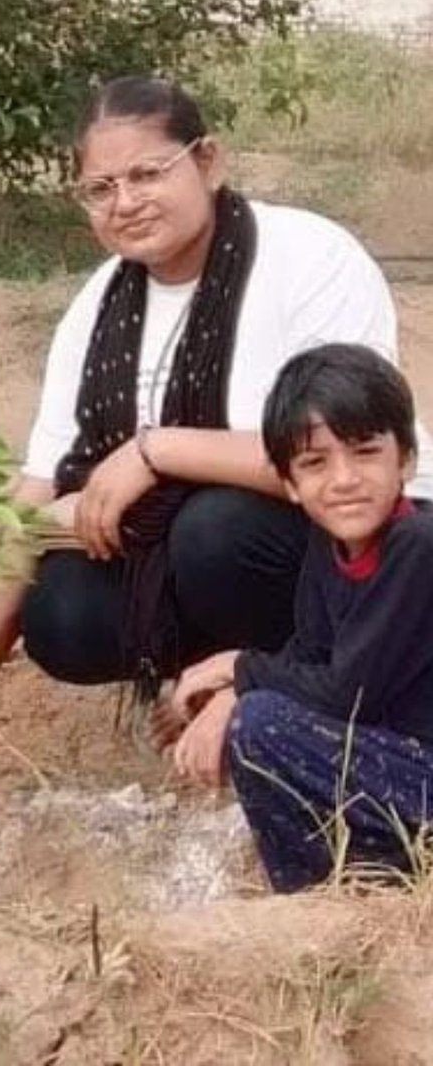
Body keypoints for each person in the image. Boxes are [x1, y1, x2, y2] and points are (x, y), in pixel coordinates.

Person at [0, 74, 433, 786]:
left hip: (356, 543)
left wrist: (156, 451)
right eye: (100, 189)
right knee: (61, 612)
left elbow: (348, 451)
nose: (125, 203)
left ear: (208, 161)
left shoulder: (309, 257)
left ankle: (269, 693)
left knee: (214, 529)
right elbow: (38, 490)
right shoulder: (98, 306)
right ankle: (199, 679)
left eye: (147, 173)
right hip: (207, 561)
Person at [166, 343, 433, 892]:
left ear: (405, 458)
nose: (343, 480)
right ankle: (325, 889)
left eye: (365, 452)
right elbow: (309, 655)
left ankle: (326, 890)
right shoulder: (328, 543)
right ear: (289, 483)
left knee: (261, 725)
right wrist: (226, 696)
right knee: (254, 721)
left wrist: (239, 671)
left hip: (421, 772)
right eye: (315, 462)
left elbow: (346, 694)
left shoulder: (417, 545)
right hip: (401, 769)